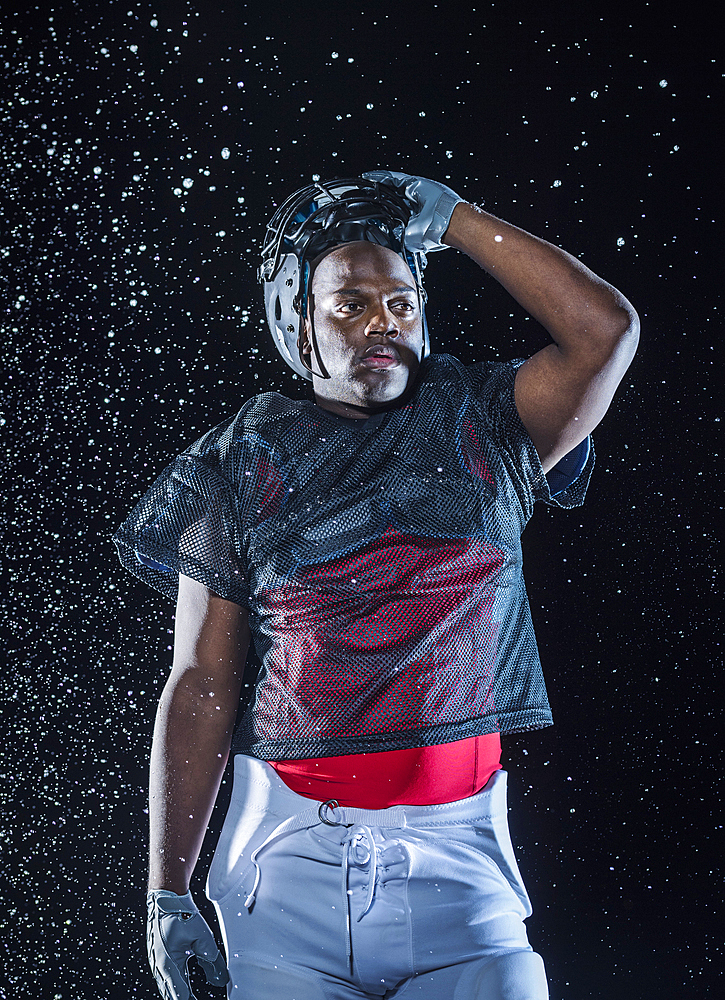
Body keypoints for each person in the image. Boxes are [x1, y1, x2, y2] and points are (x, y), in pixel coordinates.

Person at [114, 170, 639, 1000]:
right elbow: (203, 682)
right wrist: (167, 892)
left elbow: (604, 330)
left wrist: (458, 219)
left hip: (460, 862)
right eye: (349, 305)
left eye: (399, 303)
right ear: (299, 322)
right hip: (283, 870)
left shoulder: (488, 426)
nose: (380, 325)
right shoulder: (238, 461)